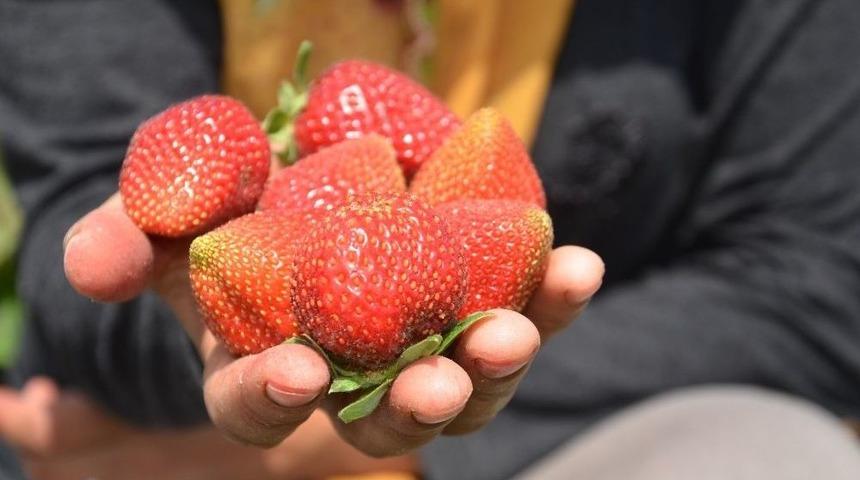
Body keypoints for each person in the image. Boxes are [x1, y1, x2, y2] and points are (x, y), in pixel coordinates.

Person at [2, 0, 860, 479]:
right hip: (119, 436)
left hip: (570, 437)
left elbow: (816, 283)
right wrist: (192, 346)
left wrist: (308, 449)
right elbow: (78, 211)